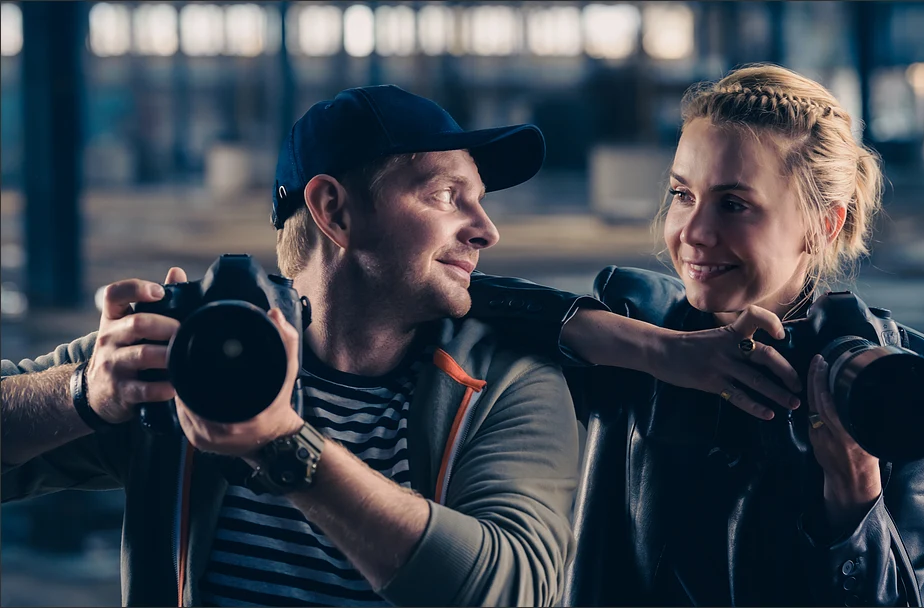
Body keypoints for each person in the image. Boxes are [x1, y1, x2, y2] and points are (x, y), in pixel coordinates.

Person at [1, 86, 582, 607]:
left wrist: (282, 445)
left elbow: (515, 590)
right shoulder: (202, 351)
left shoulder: (507, 383)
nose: (486, 229)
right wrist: (85, 393)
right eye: (446, 195)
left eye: (480, 200)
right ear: (334, 209)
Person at [463, 64, 924, 606]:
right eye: (682, 195)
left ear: (823, 224)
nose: (695, 233)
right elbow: (447, 297)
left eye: (734, 204)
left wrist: (855, 492)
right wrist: (659, 351)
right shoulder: (633, 323)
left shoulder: (905, 377)